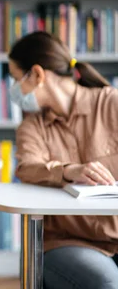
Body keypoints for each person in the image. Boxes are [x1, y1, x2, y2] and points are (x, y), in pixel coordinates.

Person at [8, 31, 118, 289]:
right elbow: (27, 168)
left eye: (15, 79)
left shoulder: (110, 103)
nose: (14, 91)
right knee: (106, 283)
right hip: (67, 242)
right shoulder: (32, 126)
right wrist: (68, 171)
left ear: (37, 74)